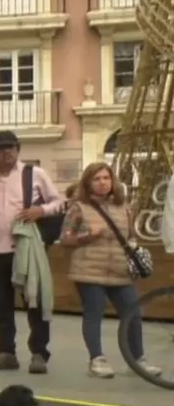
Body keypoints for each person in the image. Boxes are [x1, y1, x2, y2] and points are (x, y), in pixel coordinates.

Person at [0, 130, 64, 372]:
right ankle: (6, 352)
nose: (8, 152)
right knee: (0, 304)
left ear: (18, 149)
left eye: (11, 147)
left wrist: (40, 211)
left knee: (34, 300)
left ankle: (39, 353)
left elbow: (58, 202)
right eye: (2, 148)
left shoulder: (35, 174)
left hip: (26, 248)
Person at [61, 162, 156, 378]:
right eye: (96, 179)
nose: (102, 183)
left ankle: (137, 360)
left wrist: (134, 249)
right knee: (94, 313)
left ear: (112, 181)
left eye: (106, 178)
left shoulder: (124, 207)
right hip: (89, 271)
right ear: (88, 183)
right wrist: (88, 235)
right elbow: (65, 239)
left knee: (133, 313)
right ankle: (97, 359)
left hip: (120, 271)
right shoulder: (78, 208)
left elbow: (131, 236)